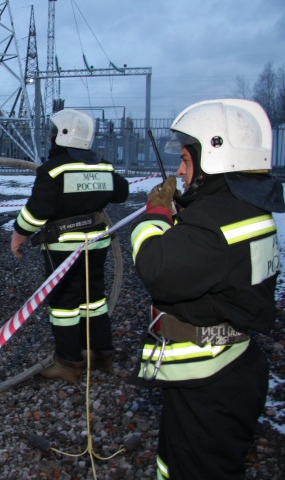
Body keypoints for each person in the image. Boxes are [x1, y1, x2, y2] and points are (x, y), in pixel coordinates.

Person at [130, 98, 283, 479]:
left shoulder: (217, 221)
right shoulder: (243, 209)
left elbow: (156, 267)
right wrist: (186, 212)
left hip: (208, 378)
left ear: (214, 157)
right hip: (227, 367)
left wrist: (155, 216)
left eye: (185, 160)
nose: (180, 171)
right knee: (179, 463)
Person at [10, 109, 129, 383]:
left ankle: (68, 362)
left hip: (63, 248)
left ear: (62, 136)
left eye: (53, 133)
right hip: (96, 245)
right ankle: (100, 354)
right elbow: (121, 193)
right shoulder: (103, 166)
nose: (49, 138)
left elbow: (36, 213)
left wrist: (18, 235)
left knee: (64, 305)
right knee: (94, 298)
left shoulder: (53, 170)